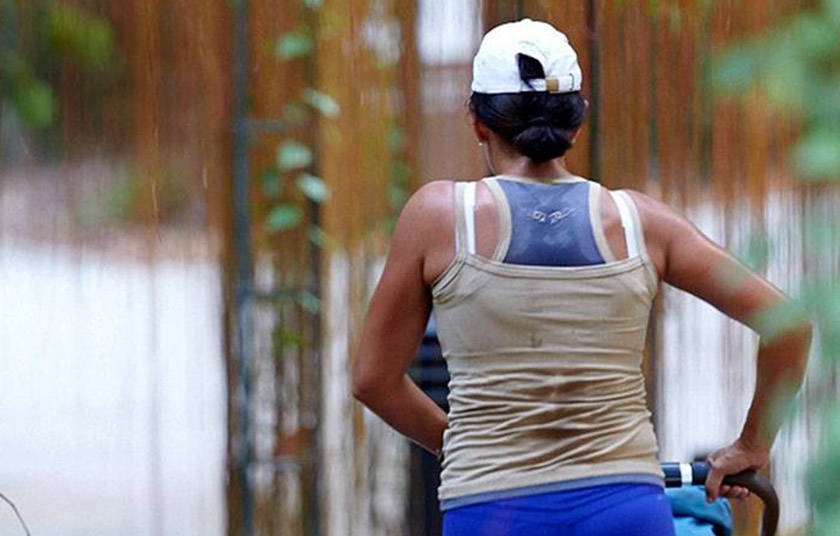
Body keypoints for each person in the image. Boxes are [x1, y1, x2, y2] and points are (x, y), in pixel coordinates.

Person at [348, 19, 812, 536]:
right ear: (576, 122)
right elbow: (788, 324)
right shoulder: (641, 224)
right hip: (628, 510)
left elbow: (373, 380)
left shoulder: (438, 217)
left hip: (493, 511)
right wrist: (752, 445)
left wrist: (465, 443)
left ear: (477, 120)